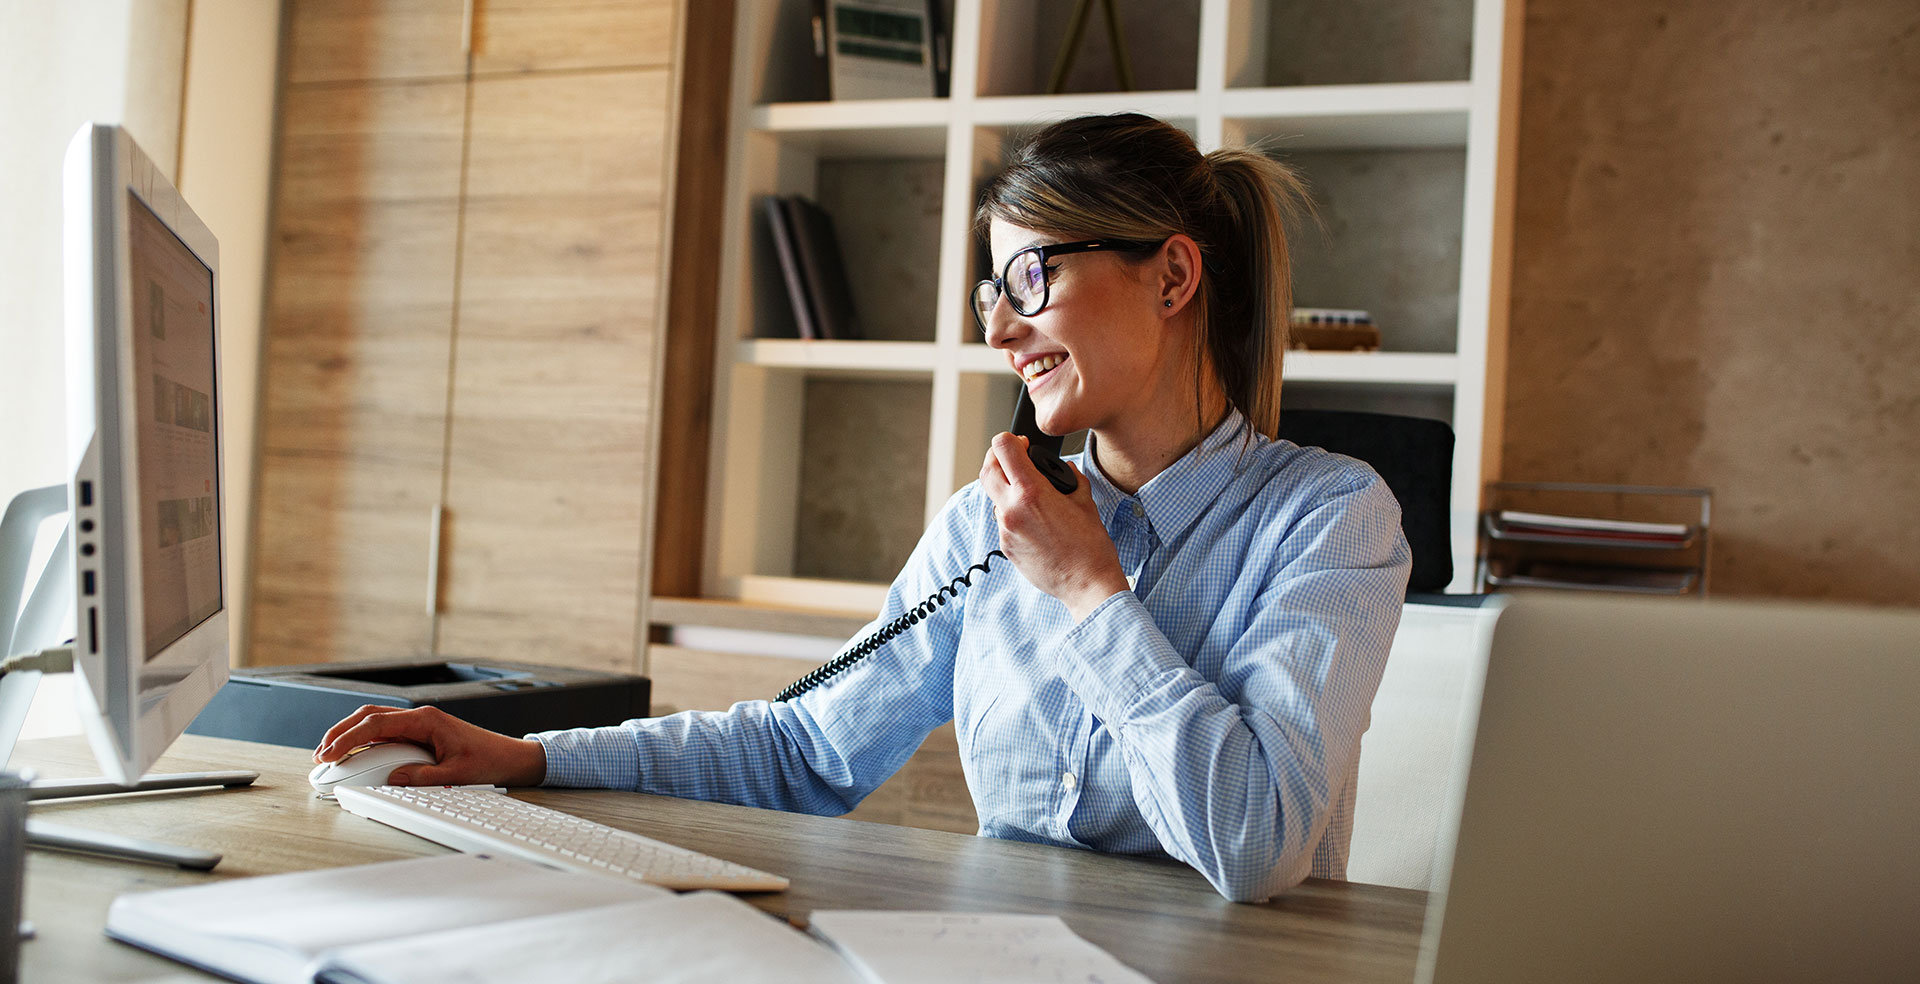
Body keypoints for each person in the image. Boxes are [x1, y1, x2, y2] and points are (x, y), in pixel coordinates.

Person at [314, 113, 1411, 903]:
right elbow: (805, 750)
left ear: (1172, 279)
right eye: (993, 294)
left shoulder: (1329, 520)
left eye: (1031, 281)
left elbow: (1257, 844)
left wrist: (1090, 593)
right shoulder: (989, 528)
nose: (998, 333)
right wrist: (531, 755)